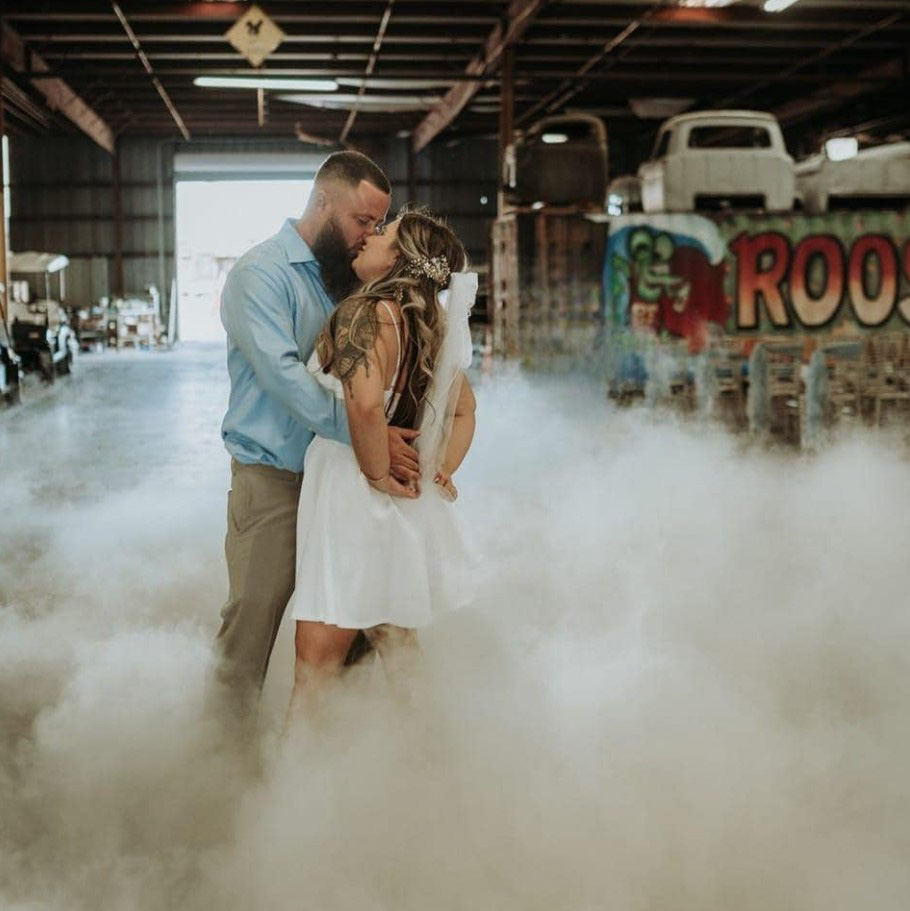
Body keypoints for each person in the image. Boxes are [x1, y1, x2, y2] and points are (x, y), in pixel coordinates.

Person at [215, 151, 421, 717]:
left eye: (379, 226)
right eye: (362, 221)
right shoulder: (261, 275)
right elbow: (284, 377)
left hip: (341, 484)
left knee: (351, 621)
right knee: (253, 621)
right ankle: (218, 763)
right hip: (276, 480)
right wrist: (366, 438)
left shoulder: (347, 277)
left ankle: (333, 764)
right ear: (323, 202)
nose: (370, 235)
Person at [285, 208, 478, 721]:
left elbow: (365, 405)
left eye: (384, 232)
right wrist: (440, 468)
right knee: (395, 637)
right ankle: (429, 764)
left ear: (399, 258)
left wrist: (374, 473)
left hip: (351, 492)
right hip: (402, 503)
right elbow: (464, 411)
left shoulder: (364, 313)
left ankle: (296, 776)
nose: (370, 236)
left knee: (317, 654)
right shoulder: (429, 328)